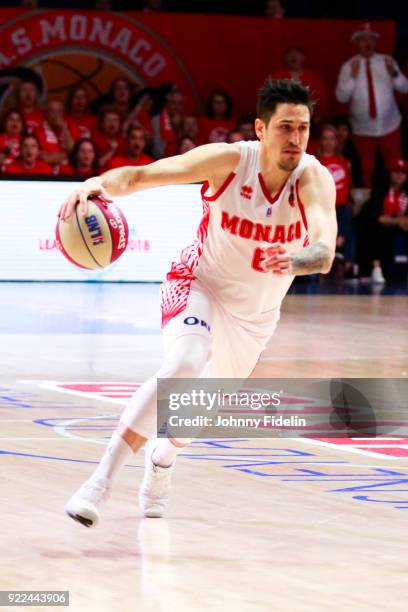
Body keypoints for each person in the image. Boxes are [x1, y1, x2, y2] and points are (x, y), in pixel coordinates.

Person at [59, 79, 336, 527]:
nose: (296, 138)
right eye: (286, 127)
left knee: (189, 419)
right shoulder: (229, 161)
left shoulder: (313, 178)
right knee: (185, 362)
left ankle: (162, 461)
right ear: (261, 129)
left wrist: (296, 258)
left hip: (254, 319)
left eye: (303, 128)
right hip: (199, 282)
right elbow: (142, 175)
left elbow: (324, 252)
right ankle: (100, 482)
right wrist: (96, 183)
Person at [335, 22, 408, 187]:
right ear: (357, 43)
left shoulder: (387, 61)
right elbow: (341, 97)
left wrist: (394, 73)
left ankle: (399, 201)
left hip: (390, 126)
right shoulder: (348, 66)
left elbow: (405, 87)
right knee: (367, 169)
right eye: (363, 40)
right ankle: (369, 204)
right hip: (362, 130)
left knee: (397, 166)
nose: (367, 43)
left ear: (375, 42)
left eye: (370, 40)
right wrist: (352, 77)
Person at [317, 124, 354, 276]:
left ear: (336, 141)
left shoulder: (344, 162)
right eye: (325, 139)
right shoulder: (315, 162)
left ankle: (347, 265)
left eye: (332, 139)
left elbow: (346, 189)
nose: (329, 142)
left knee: (350, 224)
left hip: (341, 208)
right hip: (322, 209)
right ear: (321, 141)